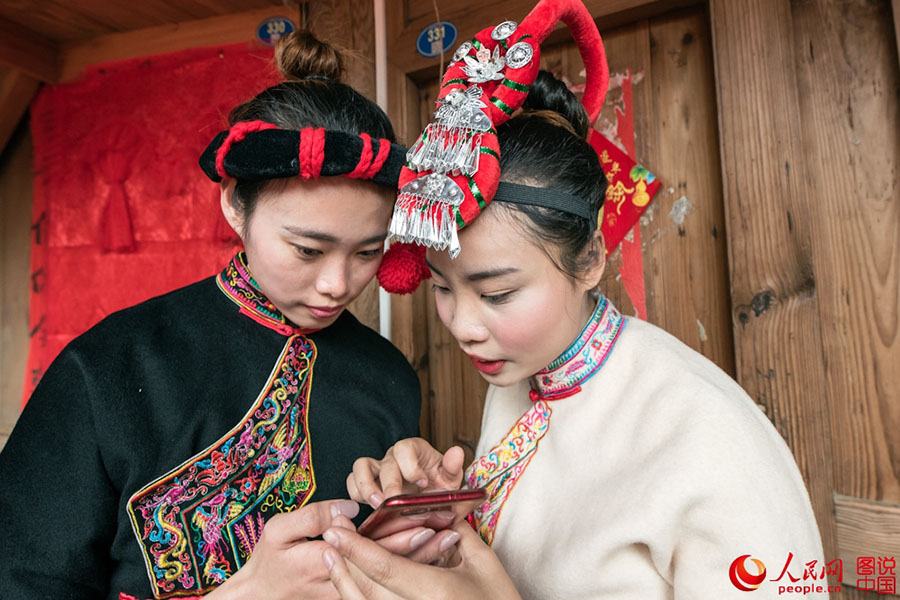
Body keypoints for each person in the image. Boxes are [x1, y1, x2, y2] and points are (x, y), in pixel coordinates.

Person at [319, 0, 828, 597]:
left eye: (498, 292)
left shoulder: (705, 437)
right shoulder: (522, 375)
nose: (463, 325)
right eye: (441, 287)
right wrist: (439, 519)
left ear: (589, 261)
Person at [0, 31, 456, 600]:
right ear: (233, 202)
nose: (338, 285)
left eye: (368, 251)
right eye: (307, 250)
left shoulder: (387, 377)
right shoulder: (109, 370)